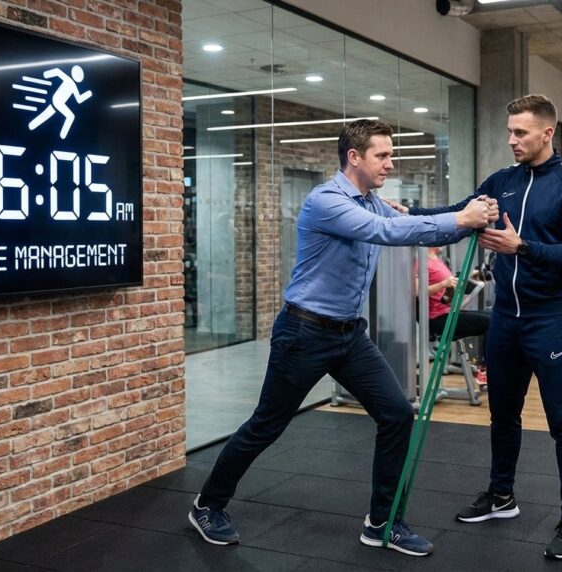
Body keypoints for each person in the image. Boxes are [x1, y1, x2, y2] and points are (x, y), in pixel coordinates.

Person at [188, 119, 496, 557]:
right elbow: (388, 233)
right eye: (382, 156)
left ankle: (383, 522)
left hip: (350, 335)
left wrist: (471, 220)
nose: (390, 164)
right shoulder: (327, 201)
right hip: (304, 333)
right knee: (266, 426)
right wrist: (462, 218)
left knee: (396, 414)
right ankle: (207, 505)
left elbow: (417, 225)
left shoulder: (372, 202)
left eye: (391, 155)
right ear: (354, 157)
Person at [407, 94, 562, 560]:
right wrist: (405, 213)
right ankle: (501, 495)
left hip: (552, 320)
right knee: (502, 415)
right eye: (509, 131)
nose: (511, 140)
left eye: (520, 132)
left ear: (547, 133)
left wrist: (521, 247)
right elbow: (458, 214)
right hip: (506, 319)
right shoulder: (501, 182)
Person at [426, 246, 490, 384]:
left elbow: (449, 287)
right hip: (439, 318)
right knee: (491, 323)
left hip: (449, 310)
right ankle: (485, 370)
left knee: (496, 315)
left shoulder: (437, 260)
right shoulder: (421, 262)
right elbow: (417, 291)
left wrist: (469, 276)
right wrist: (443, 284)